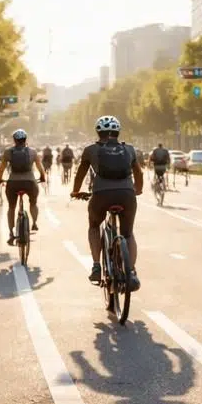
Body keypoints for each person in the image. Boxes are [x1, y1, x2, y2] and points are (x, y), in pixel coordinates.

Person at [71, 116, 144, 290]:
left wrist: (75, 191)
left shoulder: (90, 150)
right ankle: (131, 272)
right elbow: (139, 173)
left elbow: (81, 173)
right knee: (128, 234)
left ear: (98, 132)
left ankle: (96, 266)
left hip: (101, 195)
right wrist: (137, 189)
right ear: (118, 132)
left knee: (94, 226)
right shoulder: (130, 150)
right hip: (126, 194)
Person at [0, 129, 45, 243]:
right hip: (30, 182)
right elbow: (40, 167)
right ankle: (34, 223)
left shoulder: (8, 152)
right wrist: (42, 177)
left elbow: (1, 168)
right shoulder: (32, 152)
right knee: (33, 203)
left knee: (11, 207)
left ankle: (11, 233)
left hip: (13, 183)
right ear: (25, 139)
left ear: (14, 140)